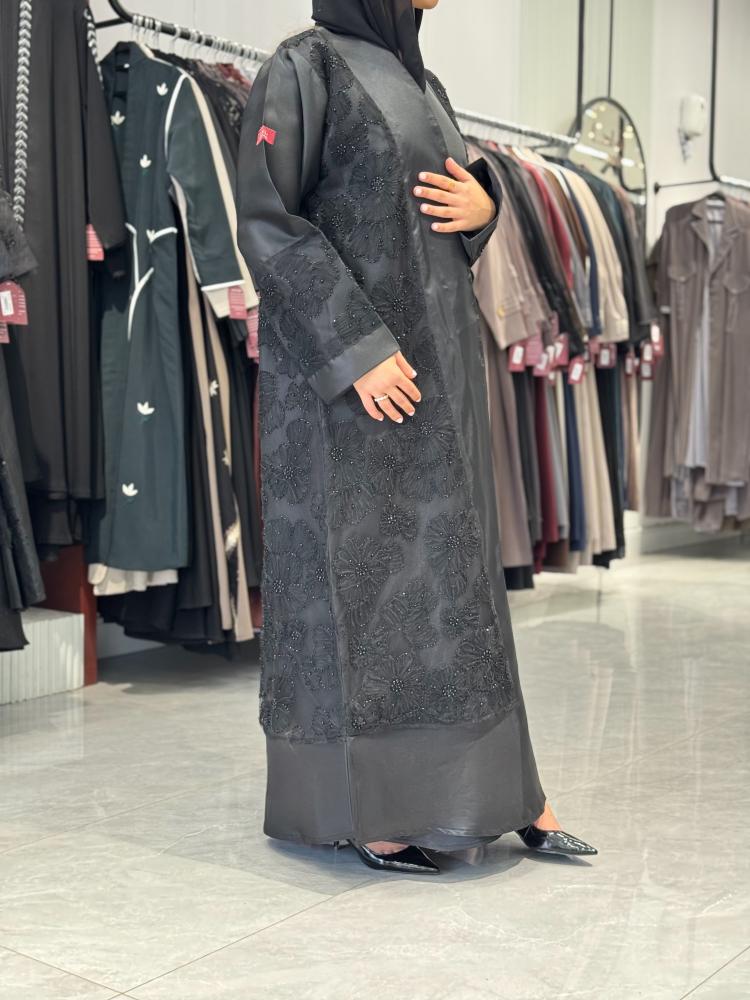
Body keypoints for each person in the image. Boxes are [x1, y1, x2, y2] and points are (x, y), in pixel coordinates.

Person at [236, 0, 596, 875]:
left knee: (453, 591)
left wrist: (485, 207)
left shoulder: (423, 83)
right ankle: (372, 810)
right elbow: (267, 220)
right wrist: (355, 350)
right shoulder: (306, 66)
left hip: (438, 381)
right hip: (349, 393)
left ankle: (502, 791)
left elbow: (427, 220)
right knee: (364, 593)